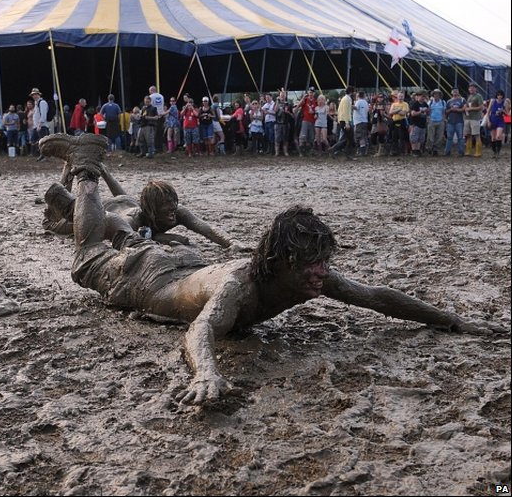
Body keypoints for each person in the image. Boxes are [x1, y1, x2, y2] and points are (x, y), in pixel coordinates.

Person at [37, 132, 504, 405]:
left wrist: (452, 320)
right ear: (282, 263)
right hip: (146, 276)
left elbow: (377, 296)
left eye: (324, 264)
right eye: (312, 266)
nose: (321, 275)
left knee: (124, 235)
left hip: (185, 262)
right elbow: (199, 331)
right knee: (87, 255)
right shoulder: (239, 286)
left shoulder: (307, 276)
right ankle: (83, 170)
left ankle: (68, 196)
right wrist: (205, 375)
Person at [42, 156, 245, 250]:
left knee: (124, 197)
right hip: (108, 210)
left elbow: (205, 228)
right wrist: (163, 237)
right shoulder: (132, 220)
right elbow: (122, 241)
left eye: (173, 204)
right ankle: (67, 170)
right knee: (55, 222)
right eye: (167, 207)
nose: (173, 210)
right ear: (152, 209)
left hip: (126, 201)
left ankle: (100, 169)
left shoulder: (176, 211)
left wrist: (231, 242)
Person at [464, 82, 484, 158]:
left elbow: (481, 107)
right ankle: (468, 151)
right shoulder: (469, 96)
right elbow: (467, 105)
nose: (471, 89)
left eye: (473, 87)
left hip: (475, 118)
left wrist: (471, 108)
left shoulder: (478, 96)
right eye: (470, 88)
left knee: (476, 134)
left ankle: (478, 151)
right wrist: (466, 107)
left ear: (476, 89)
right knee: (468, 134)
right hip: (468, 117)